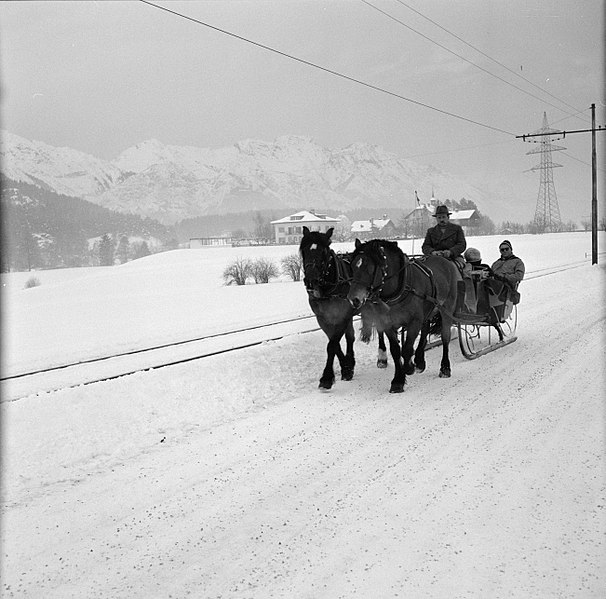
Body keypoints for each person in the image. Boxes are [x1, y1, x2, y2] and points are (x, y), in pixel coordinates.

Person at [485, 240, 525, 321]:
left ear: (511, 249)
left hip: (507, 287)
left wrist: (504, 277)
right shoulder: (496, 263)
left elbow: (519, 276)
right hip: (493, 284)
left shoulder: (517, 262)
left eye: (506, 249)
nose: (504, 251)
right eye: (502, 250)